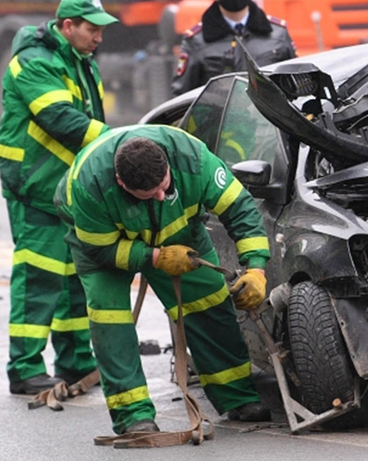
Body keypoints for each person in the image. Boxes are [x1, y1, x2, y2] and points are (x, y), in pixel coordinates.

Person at [53, 124, 271, 434]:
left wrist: (256, 269)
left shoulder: (193, 160)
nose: (159, 196)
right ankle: (133, 415)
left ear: (167, 164)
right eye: (147, 195)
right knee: (109, 315)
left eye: (164, 187)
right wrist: (155, 258)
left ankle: (237, 396)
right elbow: (100, 250)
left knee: (209, 300)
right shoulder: (89, 186)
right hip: (106, 245)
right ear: (120, 182)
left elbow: (240, 209)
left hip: (181, 232)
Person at [0, 0, 118, 395]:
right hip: (35, 186)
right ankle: (25, 368)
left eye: (102, 28)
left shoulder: (82, 62)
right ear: (68, 26)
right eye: (91, 28)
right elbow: (60, 120)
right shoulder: (34, 62)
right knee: (39, 279)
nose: (99, 36)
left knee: (72, 280)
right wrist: (117, 141)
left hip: (67, 189)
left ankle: (75, 361)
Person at [170, 0, 296, 96]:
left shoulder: (278, 34)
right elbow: (181, 96)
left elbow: (297, 85)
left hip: (268, 116)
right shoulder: (197, 41)